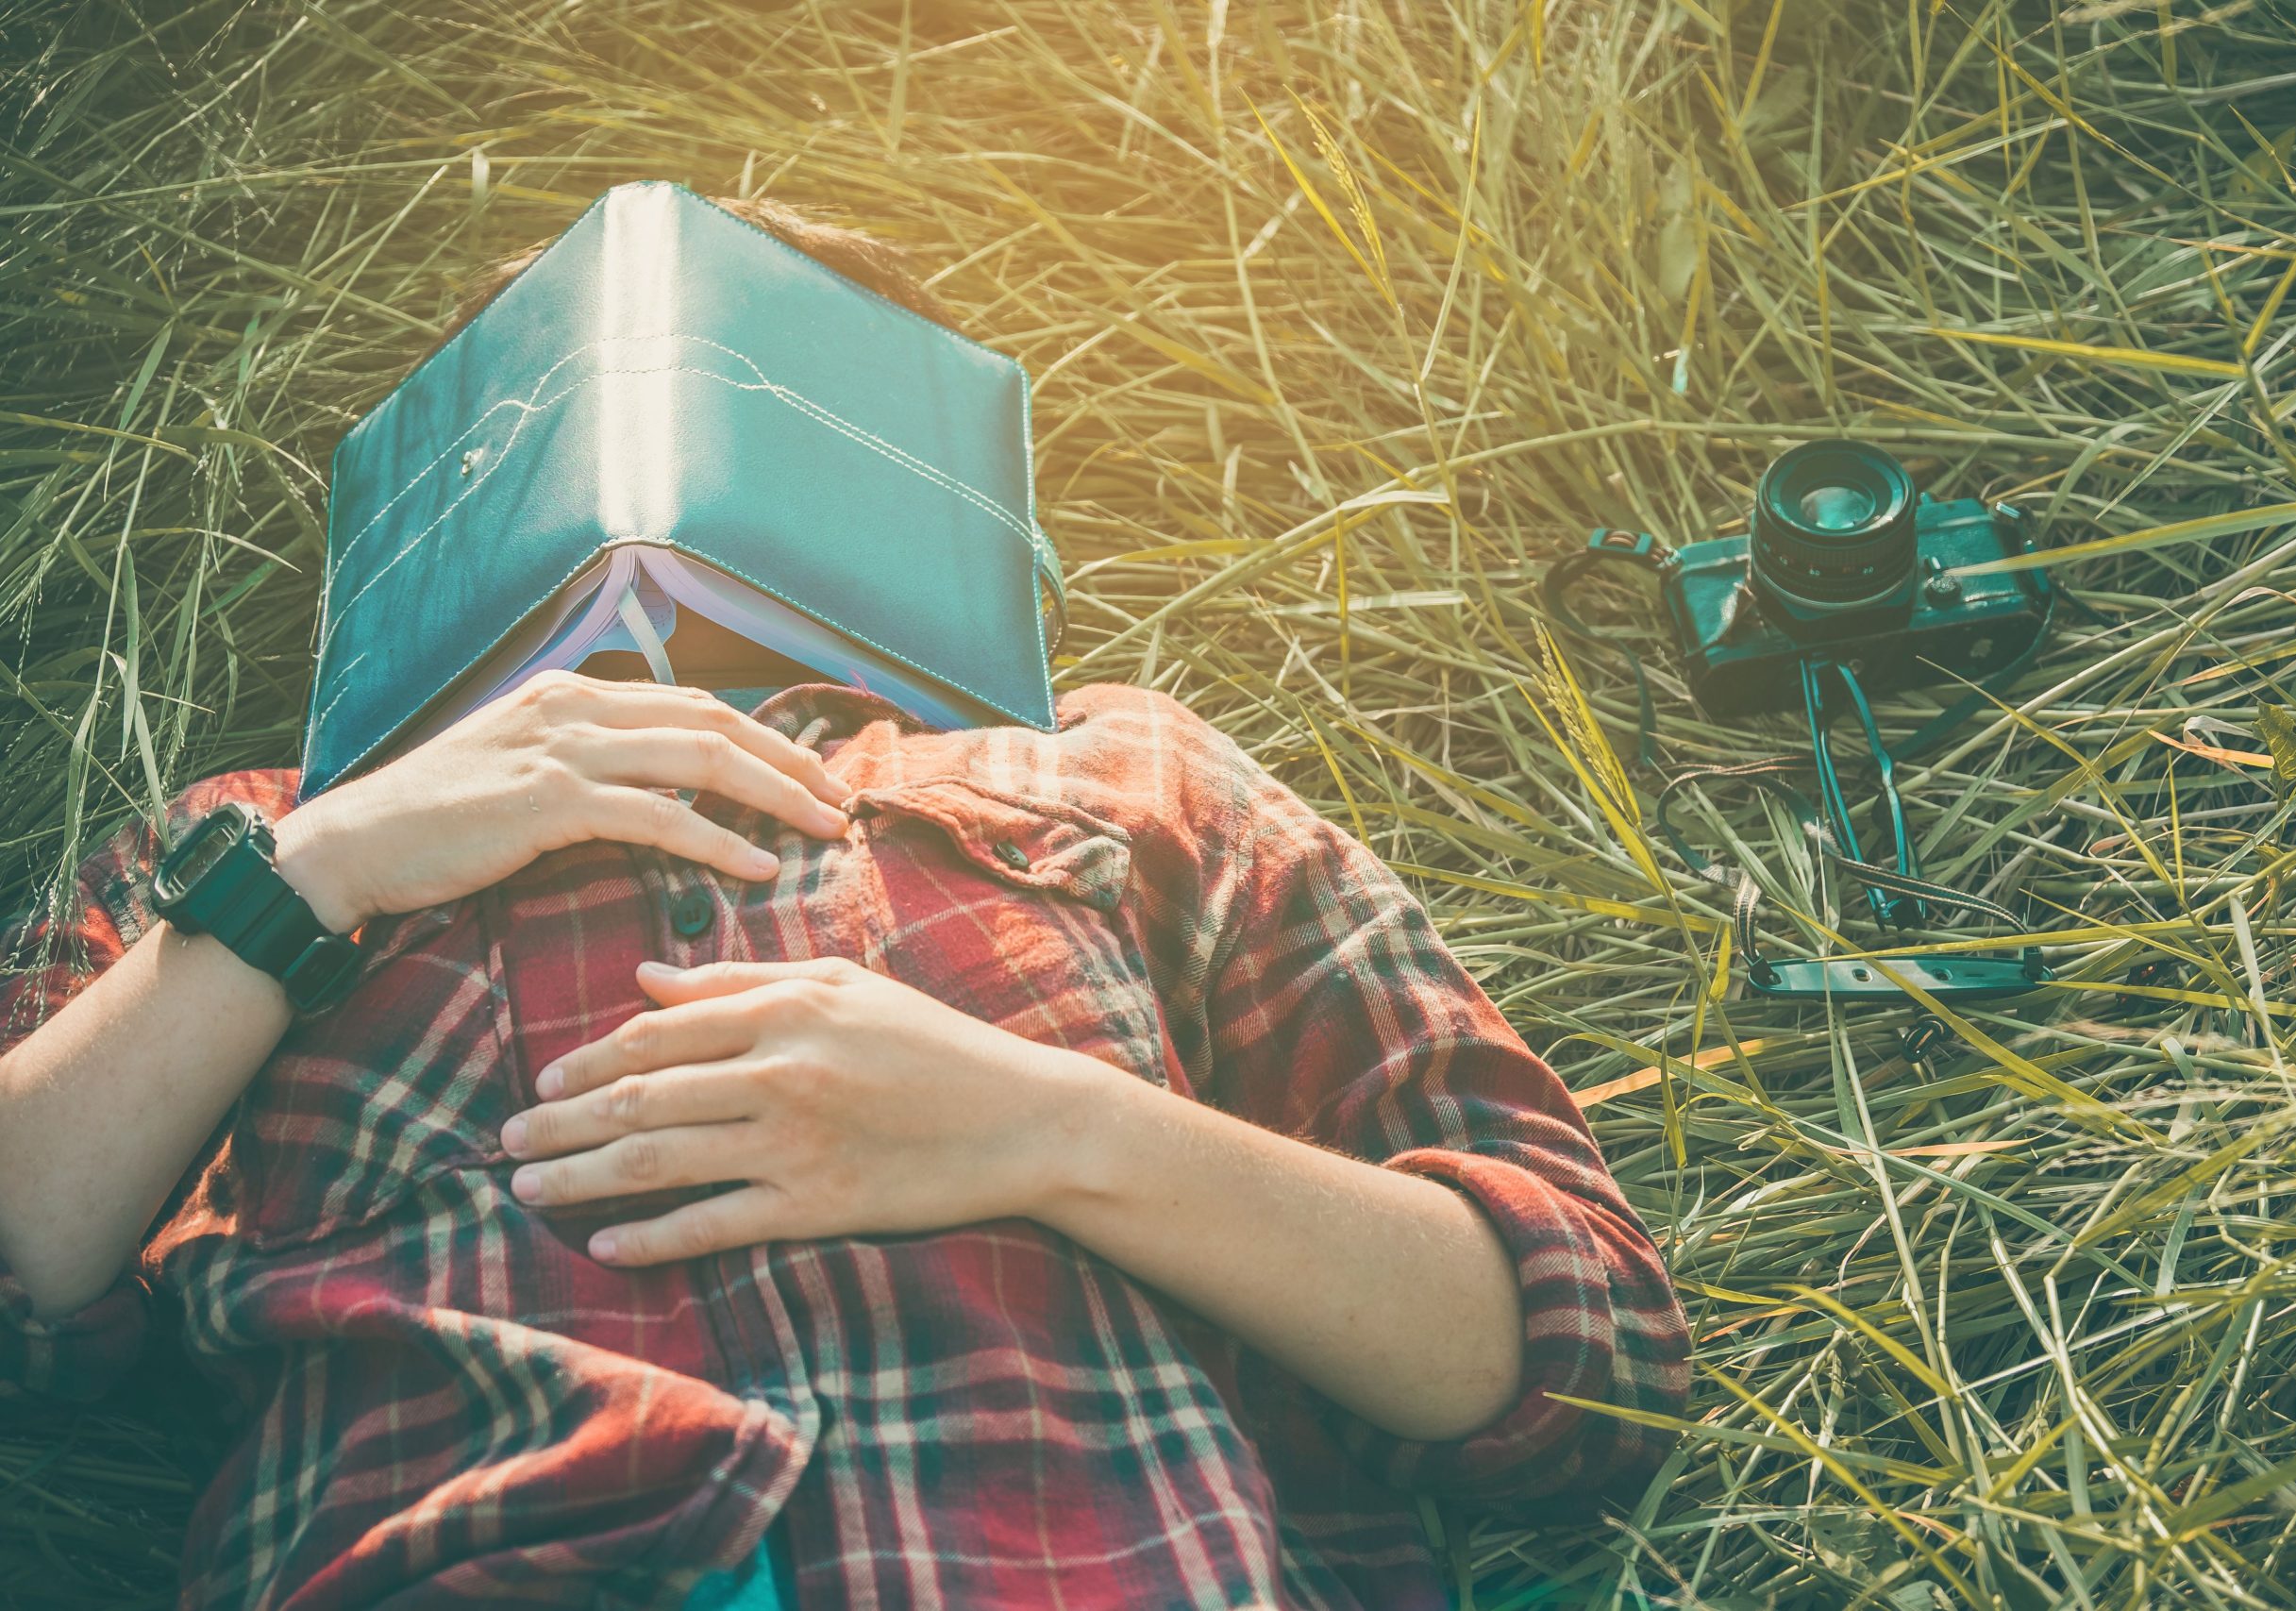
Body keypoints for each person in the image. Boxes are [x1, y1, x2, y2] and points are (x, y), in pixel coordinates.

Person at [0, 195, 1689, 1610]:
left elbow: (1583, 1365)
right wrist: (324, 874)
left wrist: (1050, 1130)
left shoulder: (1115, 770)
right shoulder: (248, 842)